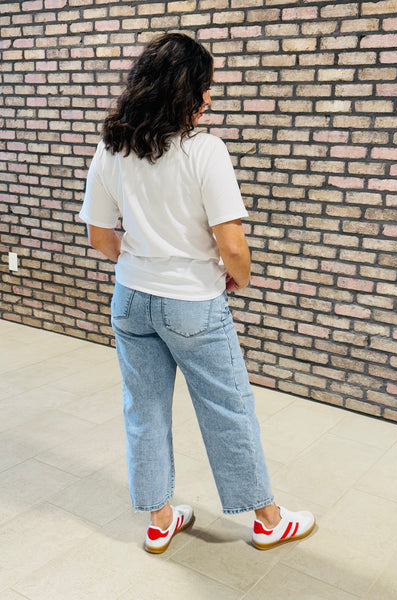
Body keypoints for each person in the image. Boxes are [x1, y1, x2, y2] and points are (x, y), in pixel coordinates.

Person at [79, 32, 315, 554]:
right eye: (205, 87)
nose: (209, 98)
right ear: (183, 91)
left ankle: (160, 519)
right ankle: (268, 520)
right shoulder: (205, 151)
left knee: (143, 408)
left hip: (131, 300)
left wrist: (144, 261)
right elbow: (232, 246)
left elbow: (99, 236)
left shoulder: (111, 147)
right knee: (227, 408)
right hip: (193, 303)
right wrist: (239, 278)